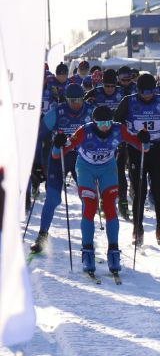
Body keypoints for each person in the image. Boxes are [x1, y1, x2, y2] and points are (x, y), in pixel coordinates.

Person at [53, 105, 144, 277]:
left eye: (108, 122)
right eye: (101, 122)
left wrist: (143, 139)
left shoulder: (118, 129)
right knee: (90, 206)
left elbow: (142, 147)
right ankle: (87, 251)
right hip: (85, 168)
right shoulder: (84, 132)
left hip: (108, 168)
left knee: (110, 207)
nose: (105, 126)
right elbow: (58, 154)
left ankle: (114, 252)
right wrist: (58, 144)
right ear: (94, 122)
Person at [114, 72, 160, 248]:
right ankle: (137, 230)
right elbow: (116, 122)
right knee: (139, 191)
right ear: (138, 90)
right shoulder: (129, 101)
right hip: (136, 150)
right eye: (144, 92)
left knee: (157, 190)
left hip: (157, 149)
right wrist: (124, 137)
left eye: (151, 92)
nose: (148, 96)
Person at [30, 82, 91, 254]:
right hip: (59, 159)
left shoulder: (90, 111)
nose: (76, 104)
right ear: (66, 99)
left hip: (82, 160)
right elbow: (40, 136)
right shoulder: (57, 112)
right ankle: (42, 236)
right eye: (72, 100)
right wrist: (38, 163)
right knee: (52, 198)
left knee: (87, 198)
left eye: (79, 99)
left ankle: (88, 238)